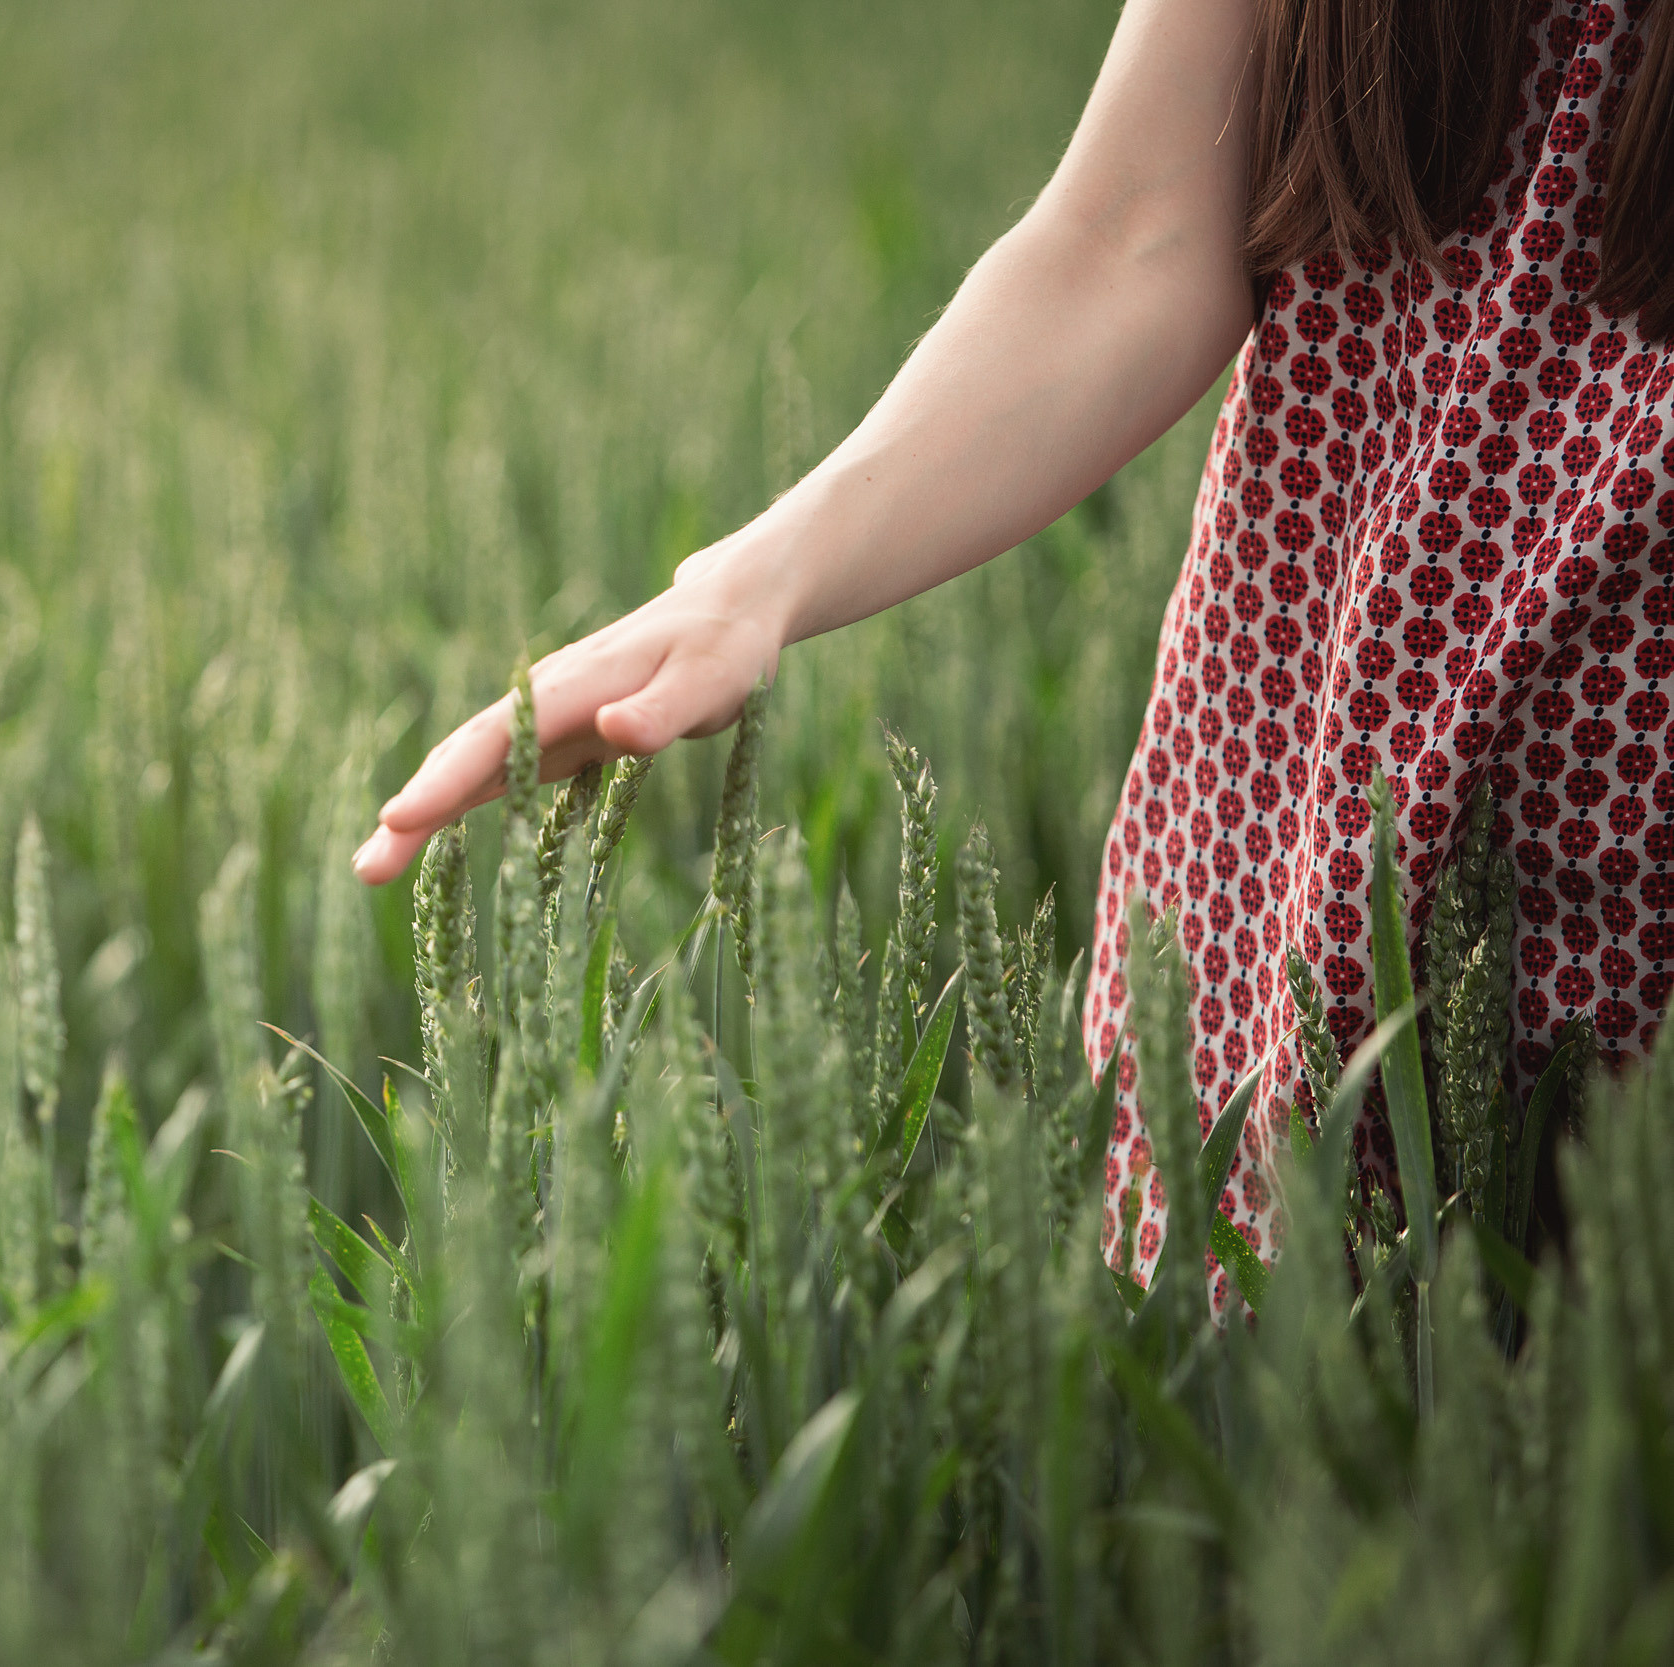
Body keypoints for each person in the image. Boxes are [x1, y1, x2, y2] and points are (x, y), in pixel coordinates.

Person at [350, 0, 1674, 1302]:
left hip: (1632, 897)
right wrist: (751, 580)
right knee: (1270, 1390)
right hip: (1282, 830)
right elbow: (1131, 238)